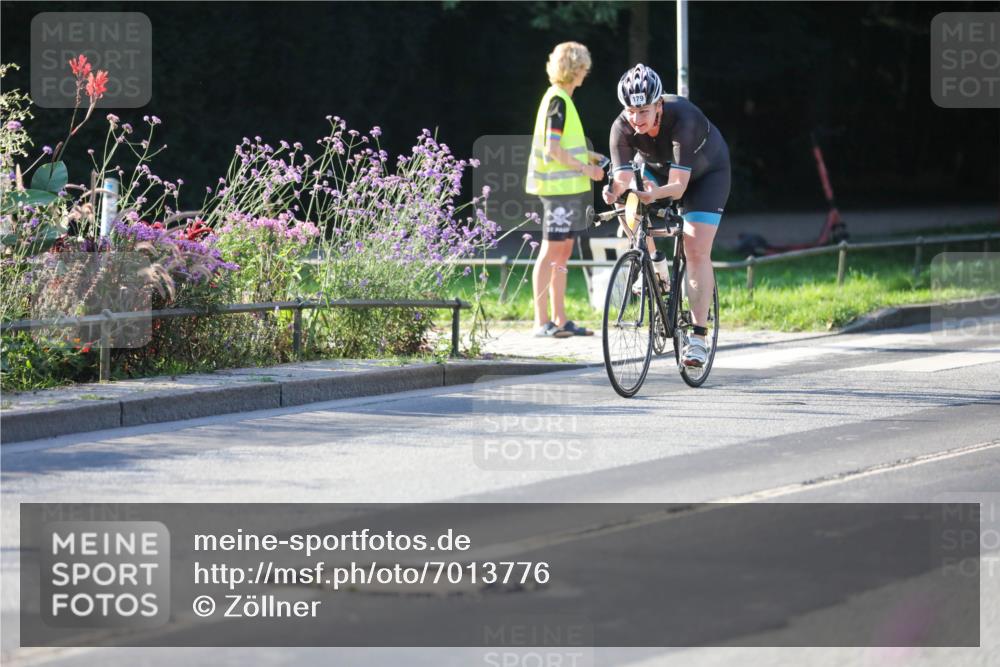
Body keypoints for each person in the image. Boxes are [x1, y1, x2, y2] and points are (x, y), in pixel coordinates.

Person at [602, 64, 731, 367]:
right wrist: (612, 190)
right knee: (626, 201)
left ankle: (698, 338)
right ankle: (655, 267)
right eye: (630, 111)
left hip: (705, 175)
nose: (636, 119)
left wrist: (649, 195)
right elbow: (621, 178)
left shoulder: (683, 119)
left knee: (695, 247)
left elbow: (678, 187)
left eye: (644, 111)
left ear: (659, 105)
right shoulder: (621, 127)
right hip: (657, 169)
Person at [525, 42, 605, 338]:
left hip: (566, 191)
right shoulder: (558, 100)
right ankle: (541, 321)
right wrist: (588, 169)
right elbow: (553, 149)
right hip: (557, 191)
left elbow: (562, 147)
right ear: (576, 69)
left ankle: (560, 318)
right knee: (551, 252)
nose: (586, 73)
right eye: (584, 67)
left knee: (563, 252)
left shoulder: (561, 99)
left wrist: (588, 157)